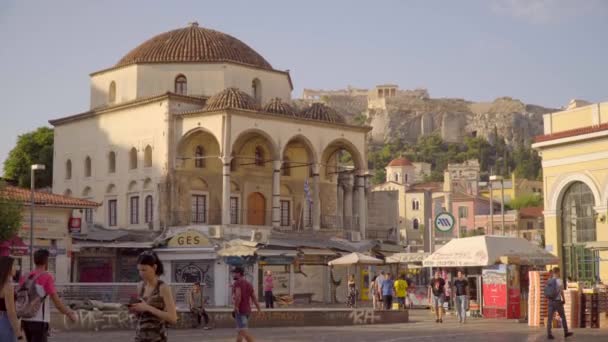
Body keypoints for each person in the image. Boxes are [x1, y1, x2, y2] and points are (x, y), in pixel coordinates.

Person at [20, 249, 77, 342]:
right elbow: (57, 302)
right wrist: (69, 313)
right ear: (46, 261)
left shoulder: (25, 276)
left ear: (35, 260)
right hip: (39, 322)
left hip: (25, 320)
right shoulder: (46, 277)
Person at [130, 251, 177, 342]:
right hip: (140, 337)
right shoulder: (140, 286)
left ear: (154, 267)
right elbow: (141, 314)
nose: (141, 273)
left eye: (144, 270)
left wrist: (148, 308)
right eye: (139, 270)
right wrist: (135, 309)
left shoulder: (163, 288)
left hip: (157, 338)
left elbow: (173, 318)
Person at [232, 266, 261, 342]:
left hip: (240, 311)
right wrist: (259, 309)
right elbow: (254, 297)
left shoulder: (237, 283)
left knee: (243, 332)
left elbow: (238, 296)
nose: (233, 275)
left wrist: (236, 307)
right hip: (247, 311)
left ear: (238, 274)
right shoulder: (248, 284)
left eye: (234, 273)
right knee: (240, 332)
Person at [546, 267, 573, 340]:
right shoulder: (560, 281)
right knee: (563, 317)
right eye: (559, 272)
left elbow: (547, 291)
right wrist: (563, 299)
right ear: (557, 272)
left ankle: (549, 334)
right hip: (557, 301)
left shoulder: (549, 280)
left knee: (550, 318)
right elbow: (561, 292)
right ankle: (566, 332)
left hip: (550, 301)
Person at [1, 256, 22, 342]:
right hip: (5, 323)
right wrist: (19, 334)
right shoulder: (8, 286)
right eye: (14, 265)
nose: (16, 268)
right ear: (8, 268)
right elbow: (11, 312)